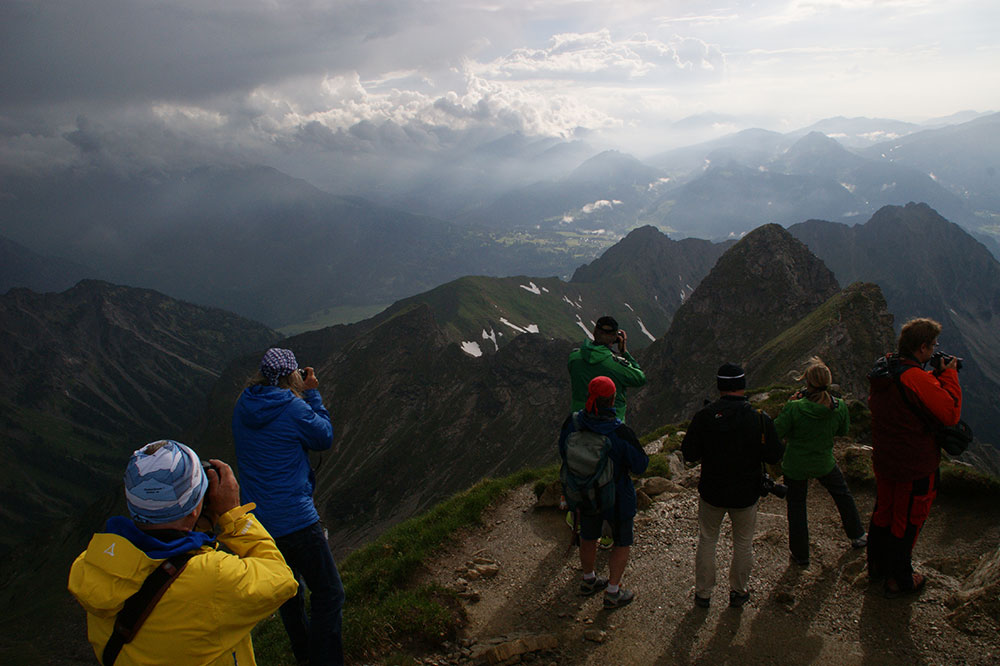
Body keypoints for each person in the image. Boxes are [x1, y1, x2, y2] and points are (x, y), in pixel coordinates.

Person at [68, 439, 297, 665]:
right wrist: (235, 516)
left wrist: (193, 531)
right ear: (196, 509)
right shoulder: (214, 577)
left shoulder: (92, 563)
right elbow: (282, 579)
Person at [233, 347, 343, 665]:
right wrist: (312, 395)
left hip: (260, 523)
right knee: (330, 593)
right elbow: (323, 438)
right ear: (291, 375)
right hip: (296, 518)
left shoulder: (242, 405)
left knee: (290, 595)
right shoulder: (293, 407)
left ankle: (306, 657)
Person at [867, 318, 961, 597]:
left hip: (886, 459)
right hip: (914, 464)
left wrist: (929, 377)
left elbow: (904, 395)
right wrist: (950, 376)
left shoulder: (885, 369)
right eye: (932, 345)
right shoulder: (914, 378)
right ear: (922, 347)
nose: (934, 350)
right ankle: (900, 579)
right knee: (907, 520)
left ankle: (876, 566)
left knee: (883, 511)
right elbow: (949, 414)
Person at [681, 363, 784, 608]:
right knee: (743, 541)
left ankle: (703, 593)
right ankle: (739, 591)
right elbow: (774, 456)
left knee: (707, 539)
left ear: (719, 387)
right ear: (742, 385)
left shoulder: (705, 416)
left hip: (712, 490)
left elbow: (689, 453)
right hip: (746, 492)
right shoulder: (759, 419)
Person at [559, 376, 649, 609]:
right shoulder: (620, 432)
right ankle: (612, 591)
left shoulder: (574, 423)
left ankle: (588, 579)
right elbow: (640, 465)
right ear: (611, 400)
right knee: (621, 541)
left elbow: (563, 449)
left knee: (588, 536)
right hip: (617, 496)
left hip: (584, 493)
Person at [775, 357, 866, 567]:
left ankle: (801, 555)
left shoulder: (795, 408)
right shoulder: (839, 407)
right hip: (824, 461)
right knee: (842, 495)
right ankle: (858, 535)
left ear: (807, 382)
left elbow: (778, 431)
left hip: (796, 464)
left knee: (797, 507)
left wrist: (790, 404)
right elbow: (843, 431)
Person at [568, 315, 646, 422]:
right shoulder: (616, 366)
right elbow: (640, 378)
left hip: (578, 421)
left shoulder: (574, 358)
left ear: (595, 332)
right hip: (611, 424)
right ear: (615, 338)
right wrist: (624, 353)